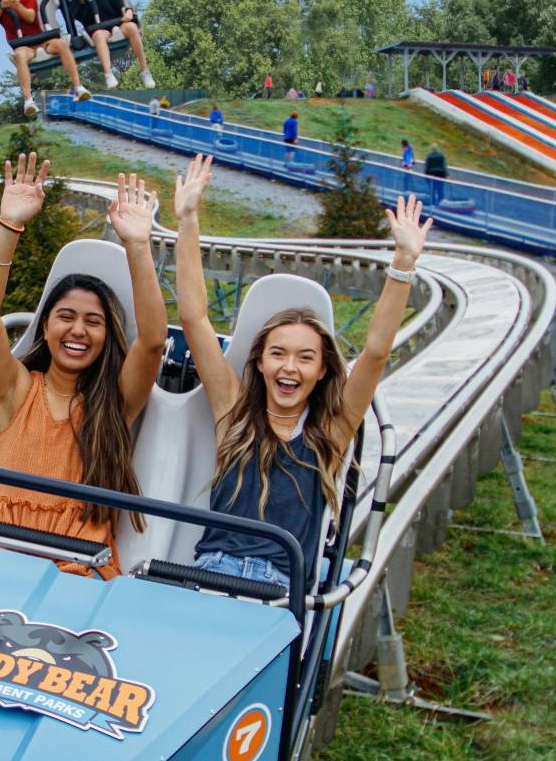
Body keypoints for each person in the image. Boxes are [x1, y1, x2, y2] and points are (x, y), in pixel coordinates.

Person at [173, 154, 431, 588]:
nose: (289, 367)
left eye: (305, 357)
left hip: (278, 588)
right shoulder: (234, 415)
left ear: (322, 370)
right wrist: (188, 218)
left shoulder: (329, 432)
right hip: (210, 571)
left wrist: (403, 262)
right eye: (278, 353)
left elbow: (374, 353)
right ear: (259, 361)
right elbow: (195, 318)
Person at [0, 152, 167, 578]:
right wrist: (9, 226)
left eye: (93, 322)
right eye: (66, 317)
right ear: (44, 328)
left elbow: (152, 341)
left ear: (107, 337)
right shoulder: (15, 390)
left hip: (74, 563)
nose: (78, 330)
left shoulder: (114, 402)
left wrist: (136, 245)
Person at [0, 0, 91, 119]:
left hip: (43, 42)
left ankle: (78, 87)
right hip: (24, 47)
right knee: (19, 55)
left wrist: (16, 4)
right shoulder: (0, 10)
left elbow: (30, 17)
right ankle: (28, 100)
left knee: (61, 44)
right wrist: (2, 6)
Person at [68, 0, 156, 90]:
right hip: (99, 29)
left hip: (117, 23)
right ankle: (108, 74)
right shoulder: (76, 2)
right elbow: (77, 15)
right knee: (99, 35)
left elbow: (119, 4)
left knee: (131, 27)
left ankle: (145, 71)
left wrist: (129, 11)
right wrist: (83, 0)